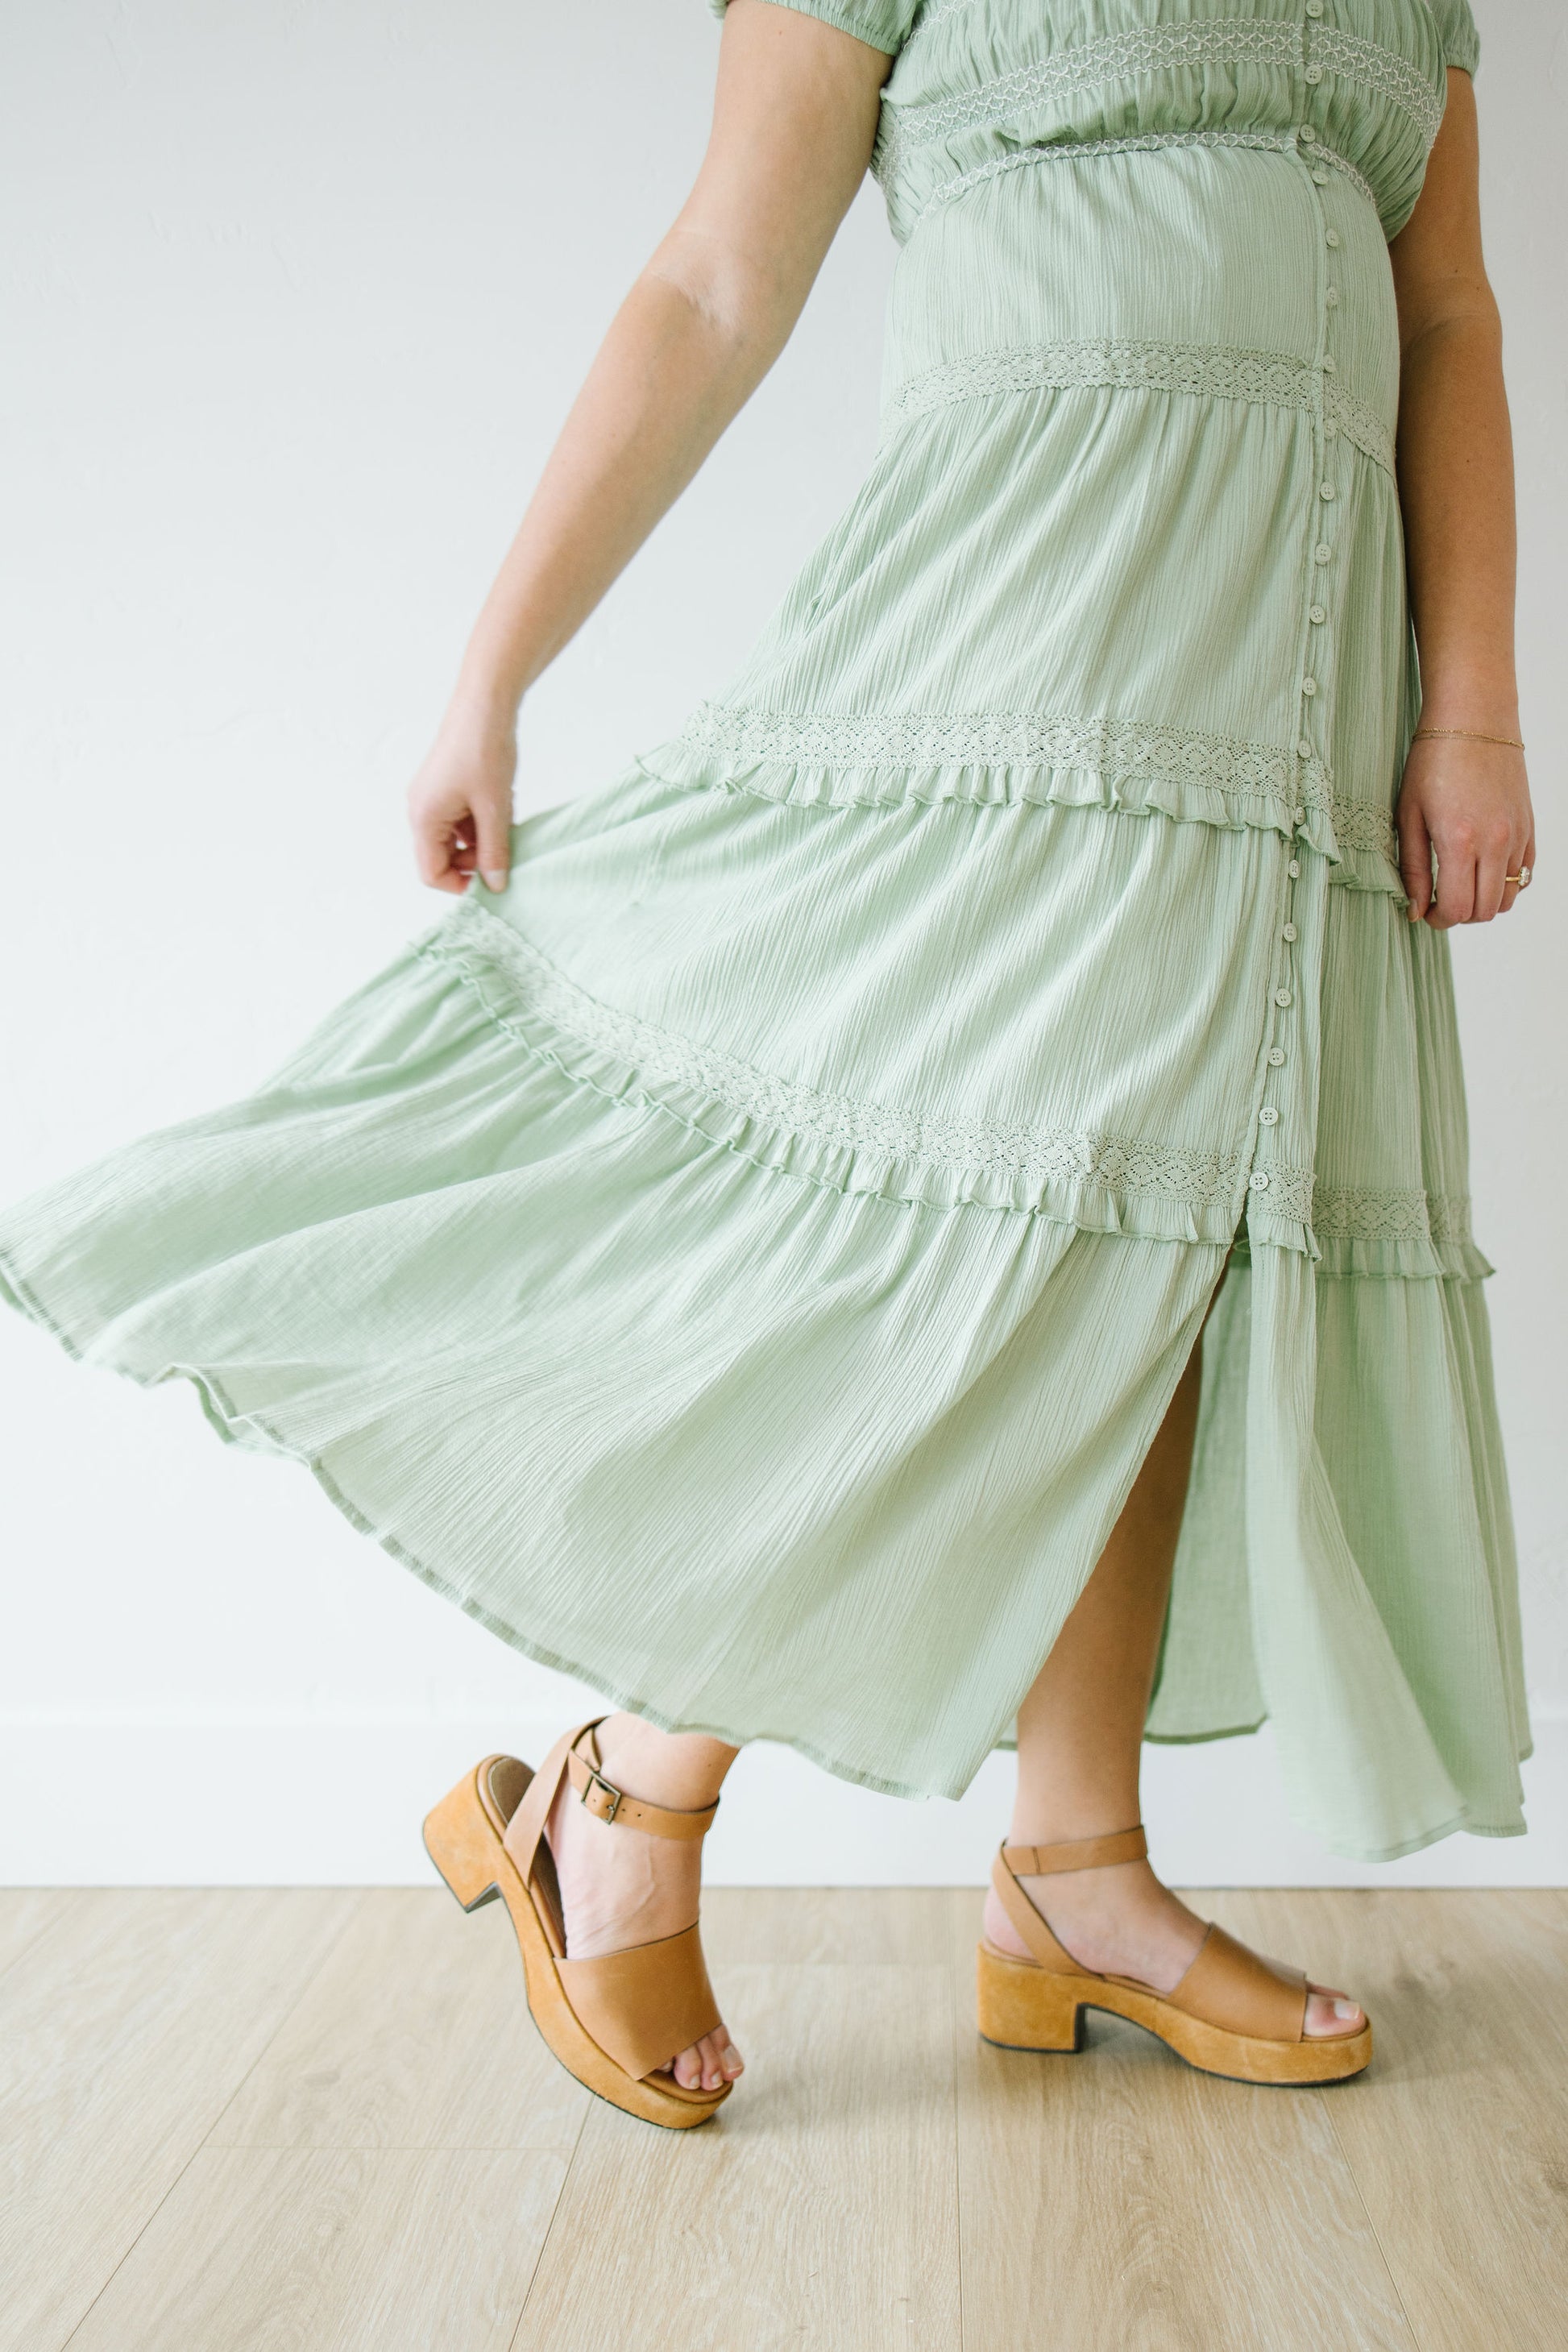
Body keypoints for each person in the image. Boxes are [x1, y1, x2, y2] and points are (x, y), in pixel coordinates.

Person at [0, 0, 1533, 2125]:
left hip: (1278, 690)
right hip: (1015, 665)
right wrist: (494, 669)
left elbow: (1443, 311)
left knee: (1162, 1256)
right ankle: (622, 1787)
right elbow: (718, 275)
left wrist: (1469, 704)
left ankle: (1075, 1878)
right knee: (947, 1253)